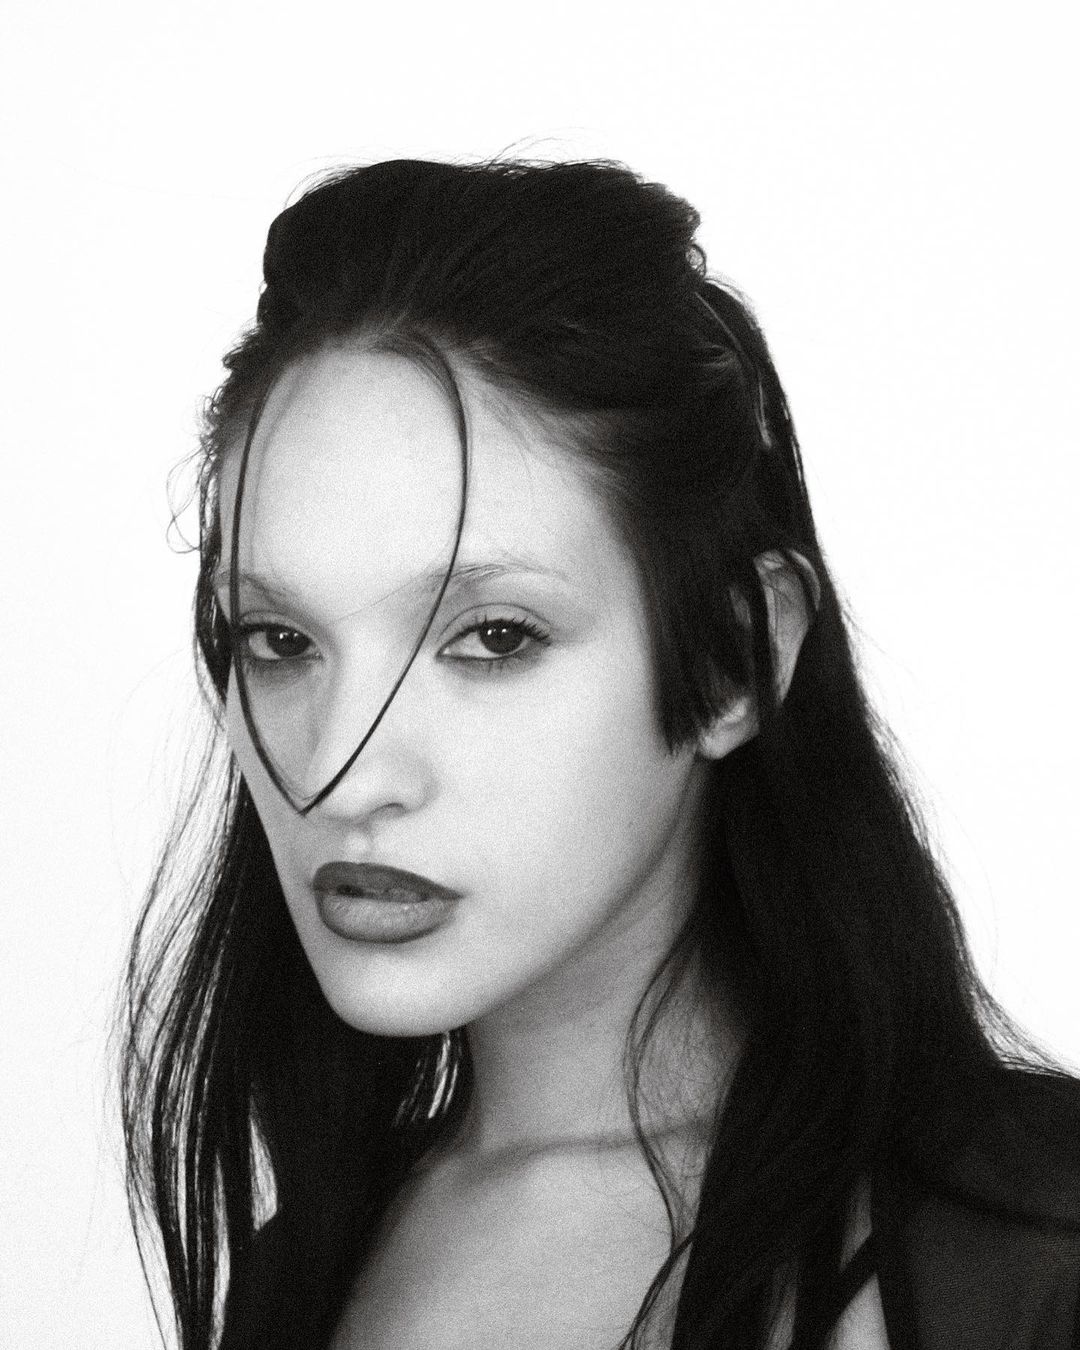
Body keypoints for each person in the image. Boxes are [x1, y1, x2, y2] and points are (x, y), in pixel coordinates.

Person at [119, 157, 1080, 1350]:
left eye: (492, 637)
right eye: (280, 641)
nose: (342, 777)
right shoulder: (298, 1276)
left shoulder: (1032, 1243)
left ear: (732, 660)